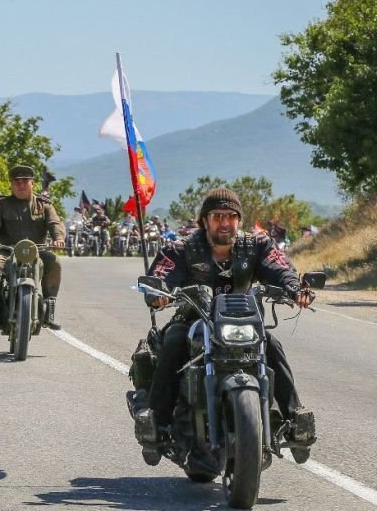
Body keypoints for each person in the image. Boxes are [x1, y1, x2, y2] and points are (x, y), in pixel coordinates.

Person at [135, 187, 316, 463]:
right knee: (173, 342)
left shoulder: (256, 245)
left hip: (243, 323)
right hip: (195, 321)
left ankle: (295, 421)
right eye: (217, 216)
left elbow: (280, 268)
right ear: (205, 220)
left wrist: (295, 289)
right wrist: (158, 292)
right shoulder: (182, 249)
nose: (225, 222)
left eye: (231, 216)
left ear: (239, 220)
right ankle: (156, 425)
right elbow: (162, 274)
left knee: (272, 345)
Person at [0, 165, 66, 329]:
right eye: (16, 182)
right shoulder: (1, 205)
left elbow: (55, 223)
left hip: (37, 251)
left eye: (25, 181)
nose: (20, 185)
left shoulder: (44, 205)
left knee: (54, 262)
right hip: (7, 250)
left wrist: (58, 238)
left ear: (32, 183)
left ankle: (49, 309)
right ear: (11, 185)